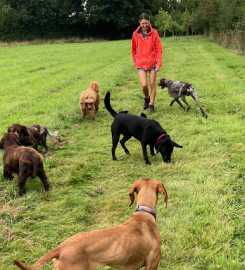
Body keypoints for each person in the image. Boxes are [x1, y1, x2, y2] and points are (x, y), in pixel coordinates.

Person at [131, 13, 162, 114]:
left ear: (149, 22)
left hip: (152, 62)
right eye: (143, 23)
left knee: (152, 83)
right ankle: (146, 97)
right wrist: (135, 62)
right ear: (140, 23)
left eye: (146, 23)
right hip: (141, 63)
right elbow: (133, 50)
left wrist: (158, 63)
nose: (144, 25)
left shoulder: (154, 33)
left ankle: (151, 104)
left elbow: (158, 49)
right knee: (144, 85)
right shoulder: (135, 34)